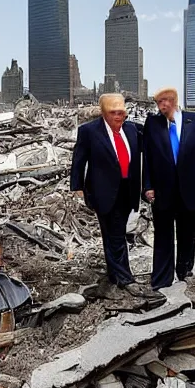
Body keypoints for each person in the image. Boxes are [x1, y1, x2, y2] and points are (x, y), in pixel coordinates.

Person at [70, 93, 156, 298]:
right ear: (104, 113)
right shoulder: (89, 132)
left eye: (122, 113)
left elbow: (154, 141)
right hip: (103, 192)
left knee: (112, 234)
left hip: (128, 190)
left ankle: (114, 274)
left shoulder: (133, 129)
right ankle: (125, 278)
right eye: (114, 113)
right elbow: (79, 160)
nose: (119, 117)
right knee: (116, 233)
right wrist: (78, 187)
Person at [142, 87, 195, 290]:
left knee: (187, 234)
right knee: (163, 236)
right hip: (163, 191)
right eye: (158, 102)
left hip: (190, 190)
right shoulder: (153, 124)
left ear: (174, 100)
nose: (161, 105)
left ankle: (185, 274)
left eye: (164, 101)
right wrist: (147, 186)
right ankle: (161, 280)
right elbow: (147, 157)